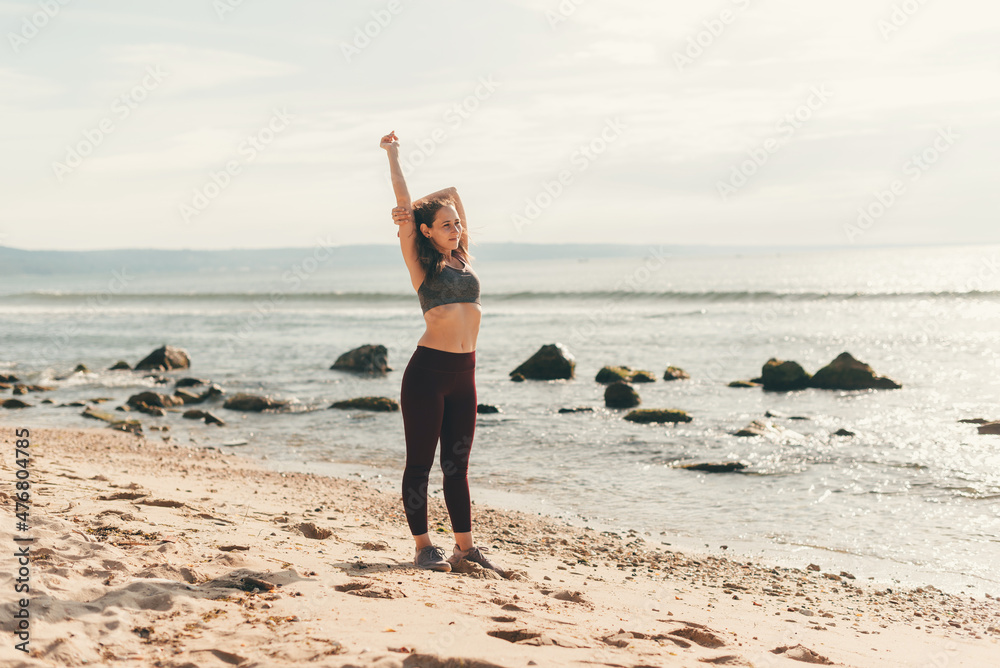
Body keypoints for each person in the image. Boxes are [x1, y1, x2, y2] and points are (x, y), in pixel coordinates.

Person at [379, 130, 504, 576]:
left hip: (464, 374)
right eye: (447, 224)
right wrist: (395, 161)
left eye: (458, 223)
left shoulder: (463, 256)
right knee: (420, 463)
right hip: (428, 373)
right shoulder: (420, 260)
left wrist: (427, 210)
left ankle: (465, 549)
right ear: (427, 232)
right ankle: (423, 547)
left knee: (458, 464)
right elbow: (406, 201)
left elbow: (451, 192)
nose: (457, 228)